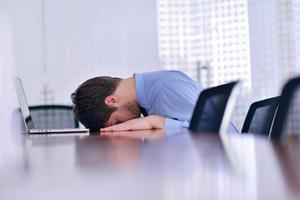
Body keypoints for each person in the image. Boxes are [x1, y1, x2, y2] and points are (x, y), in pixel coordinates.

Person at [71, 70, 236, 134]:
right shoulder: (150, 95)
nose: (125, 126)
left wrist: (159, 122)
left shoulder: (165, 88)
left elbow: (213, 134)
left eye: (117, 122)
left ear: (112, 100)